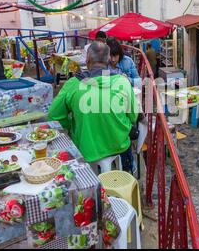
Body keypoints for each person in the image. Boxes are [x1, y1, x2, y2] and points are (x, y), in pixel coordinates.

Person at [48, 41, 139, 170]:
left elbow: (53, 115)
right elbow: (133, 116)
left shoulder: (73, 84)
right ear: (108, 60)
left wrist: (73, 122)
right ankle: (129, 169)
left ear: (87, 60)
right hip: (119, 144)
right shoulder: (122, 82)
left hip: (86, 148)